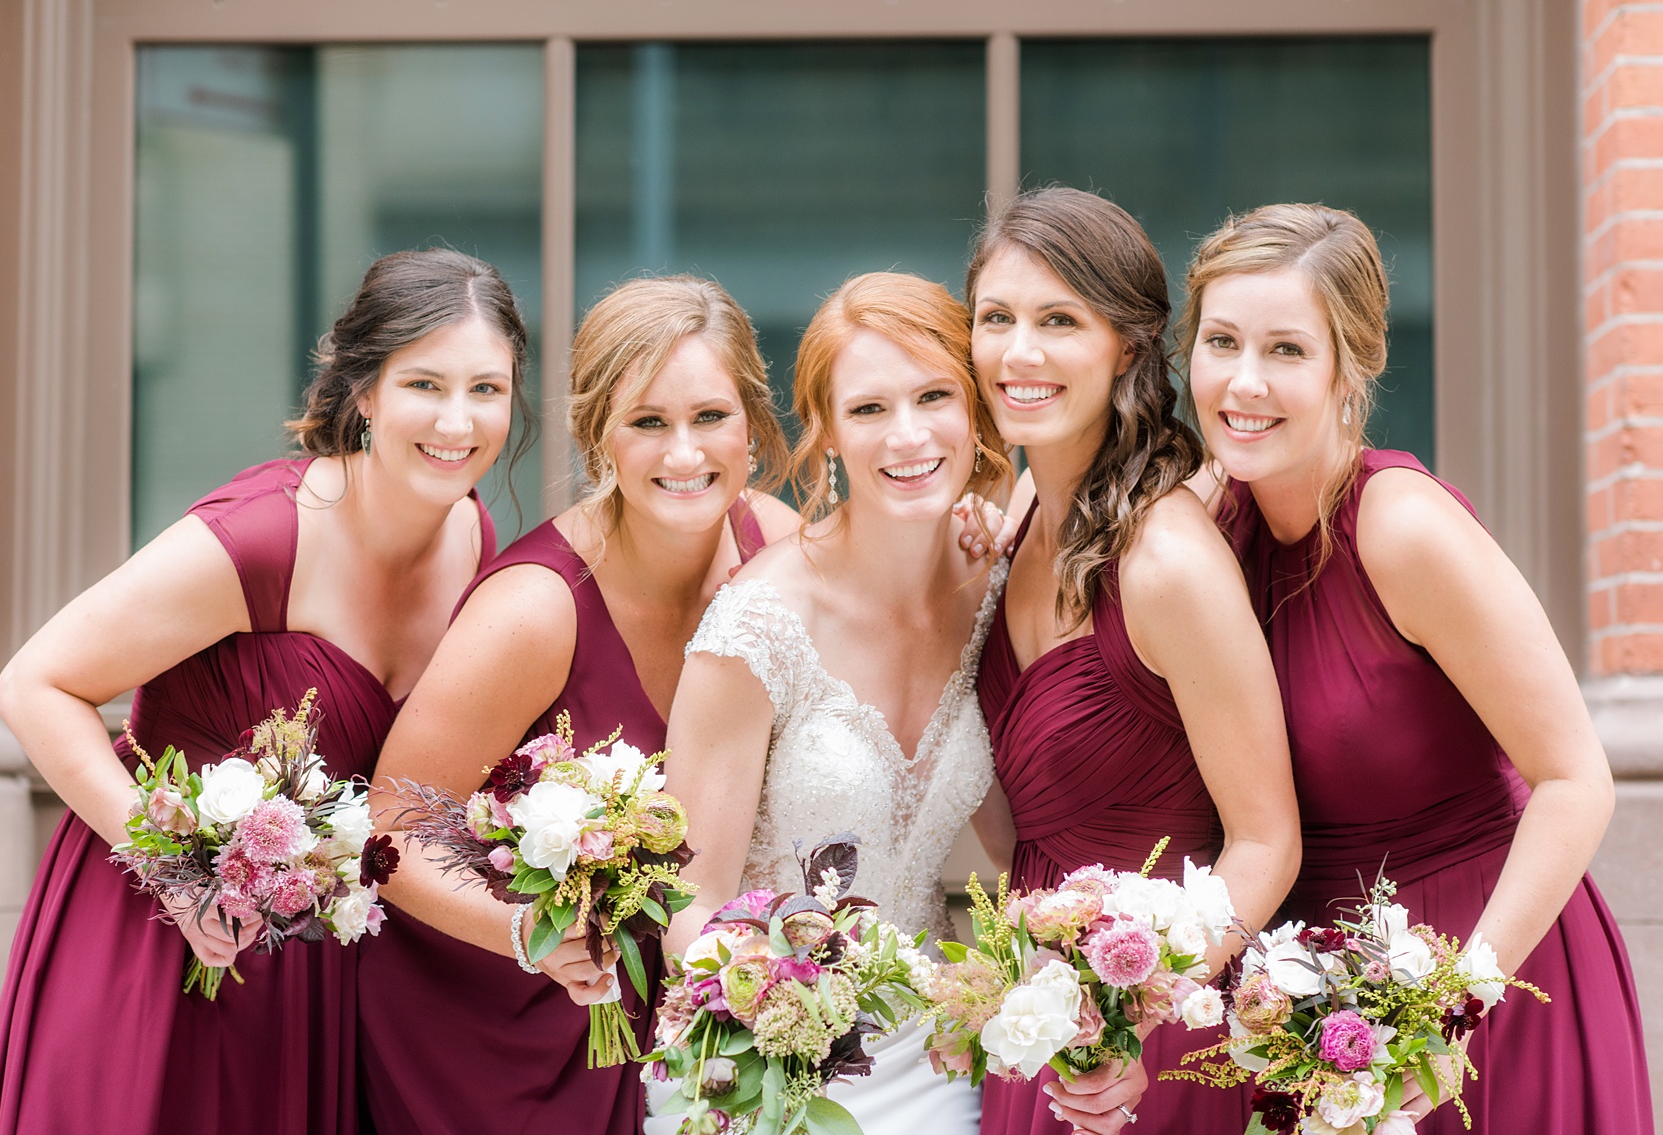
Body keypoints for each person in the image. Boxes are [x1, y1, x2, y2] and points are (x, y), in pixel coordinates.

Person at [0, 248, 527, 1135]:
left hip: (302, 958)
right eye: (425, 384)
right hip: (153, 933)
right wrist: (177, 873)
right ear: (366, 391)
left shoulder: (474, 536)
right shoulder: (262, 537)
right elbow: (33, 683)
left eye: (487, 389)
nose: (458, 422)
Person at [1186, 202, 1654, 1133]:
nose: (1244, 381)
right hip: (1312, 1005)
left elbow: (1575, 779)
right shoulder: (1208, 528)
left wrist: (1454, 1008)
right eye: (1221, 341)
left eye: (1286, 349)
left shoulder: (1399, 528)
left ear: (1349, 369)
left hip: (1487, 970)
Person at [361, 275, 800, 1135]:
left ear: (753, 423)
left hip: (683, 1028)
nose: (684, 454)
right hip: (498, 1031)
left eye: (710, 417)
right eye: (648, 422)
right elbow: (390, 826)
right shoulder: (537, 607)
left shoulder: (775, 548)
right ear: (601, 434)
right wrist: (532, 932)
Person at [966, 187, 1301, 1135]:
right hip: (1040, 1020)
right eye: (998, 318)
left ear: (1128, 343)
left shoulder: (1167, 559)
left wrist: (1126, 1015)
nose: (1018, 352)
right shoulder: (1023, 520)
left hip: (1154, 1044)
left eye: (1058, 320)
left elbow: (1268, 841)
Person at [663, 271, 1015, 1134]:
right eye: (867, 410)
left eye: (934, 396)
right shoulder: (756, 625)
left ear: (975, 412)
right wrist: (779, 1023)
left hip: (937, 1055)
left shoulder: (999, 586)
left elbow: (1020, 853)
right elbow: (685, 899)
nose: (907, 435)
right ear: (824, 432)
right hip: (763, 1067)